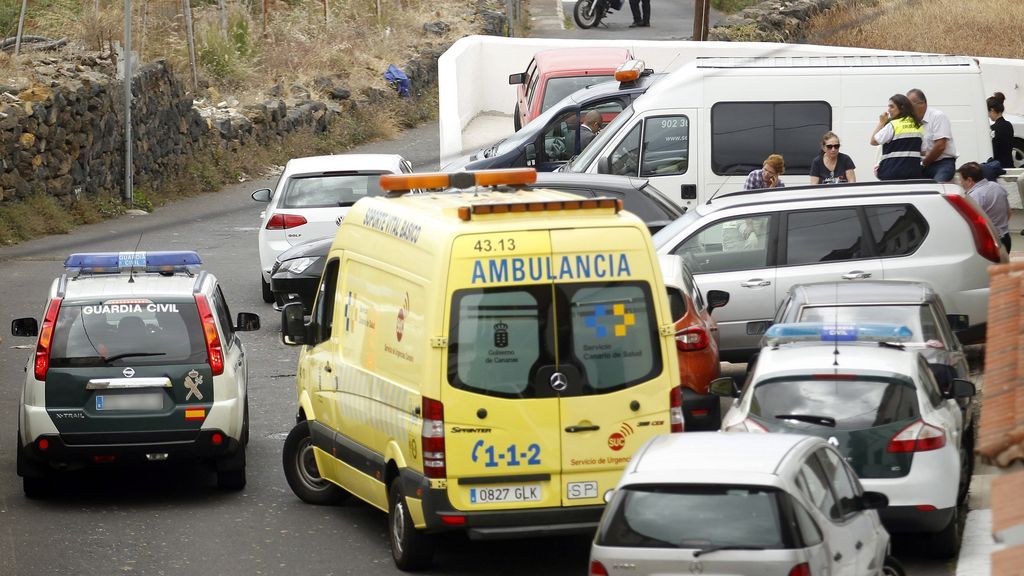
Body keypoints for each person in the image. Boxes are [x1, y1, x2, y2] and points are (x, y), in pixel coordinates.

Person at [957, 161, 1011, 253]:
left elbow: (971, 224)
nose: (960, 183)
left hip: (989, 242)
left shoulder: (974, 196)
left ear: (969, 180)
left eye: (961, 180)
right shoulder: (997, 186)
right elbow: (1009, 213)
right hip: (1006, 239)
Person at [907, 88, 957, 182]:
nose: (907, 109)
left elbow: (940, 146)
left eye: (909, 105)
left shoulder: (938, 117)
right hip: (923, 164)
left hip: (942, 164)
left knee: (937, 190)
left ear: (922, 104)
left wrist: (923, 163)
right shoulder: (912, 122)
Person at [870, 94, 923, 181]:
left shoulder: (893, 125)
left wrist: (881, 122)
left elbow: (873, 141)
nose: (889, 110)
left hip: (891, 172)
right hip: (913, 173)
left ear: (902, 108)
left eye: (892, 107)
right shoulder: (918, 125)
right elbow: (922, 150)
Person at [988, 92, 1015, 170]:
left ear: (992, 110)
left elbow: (994, 151)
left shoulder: (993, 128)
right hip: (1009, 164)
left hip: (998, 167)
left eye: (988, 112)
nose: (988, 115)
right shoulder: (1009, 125)